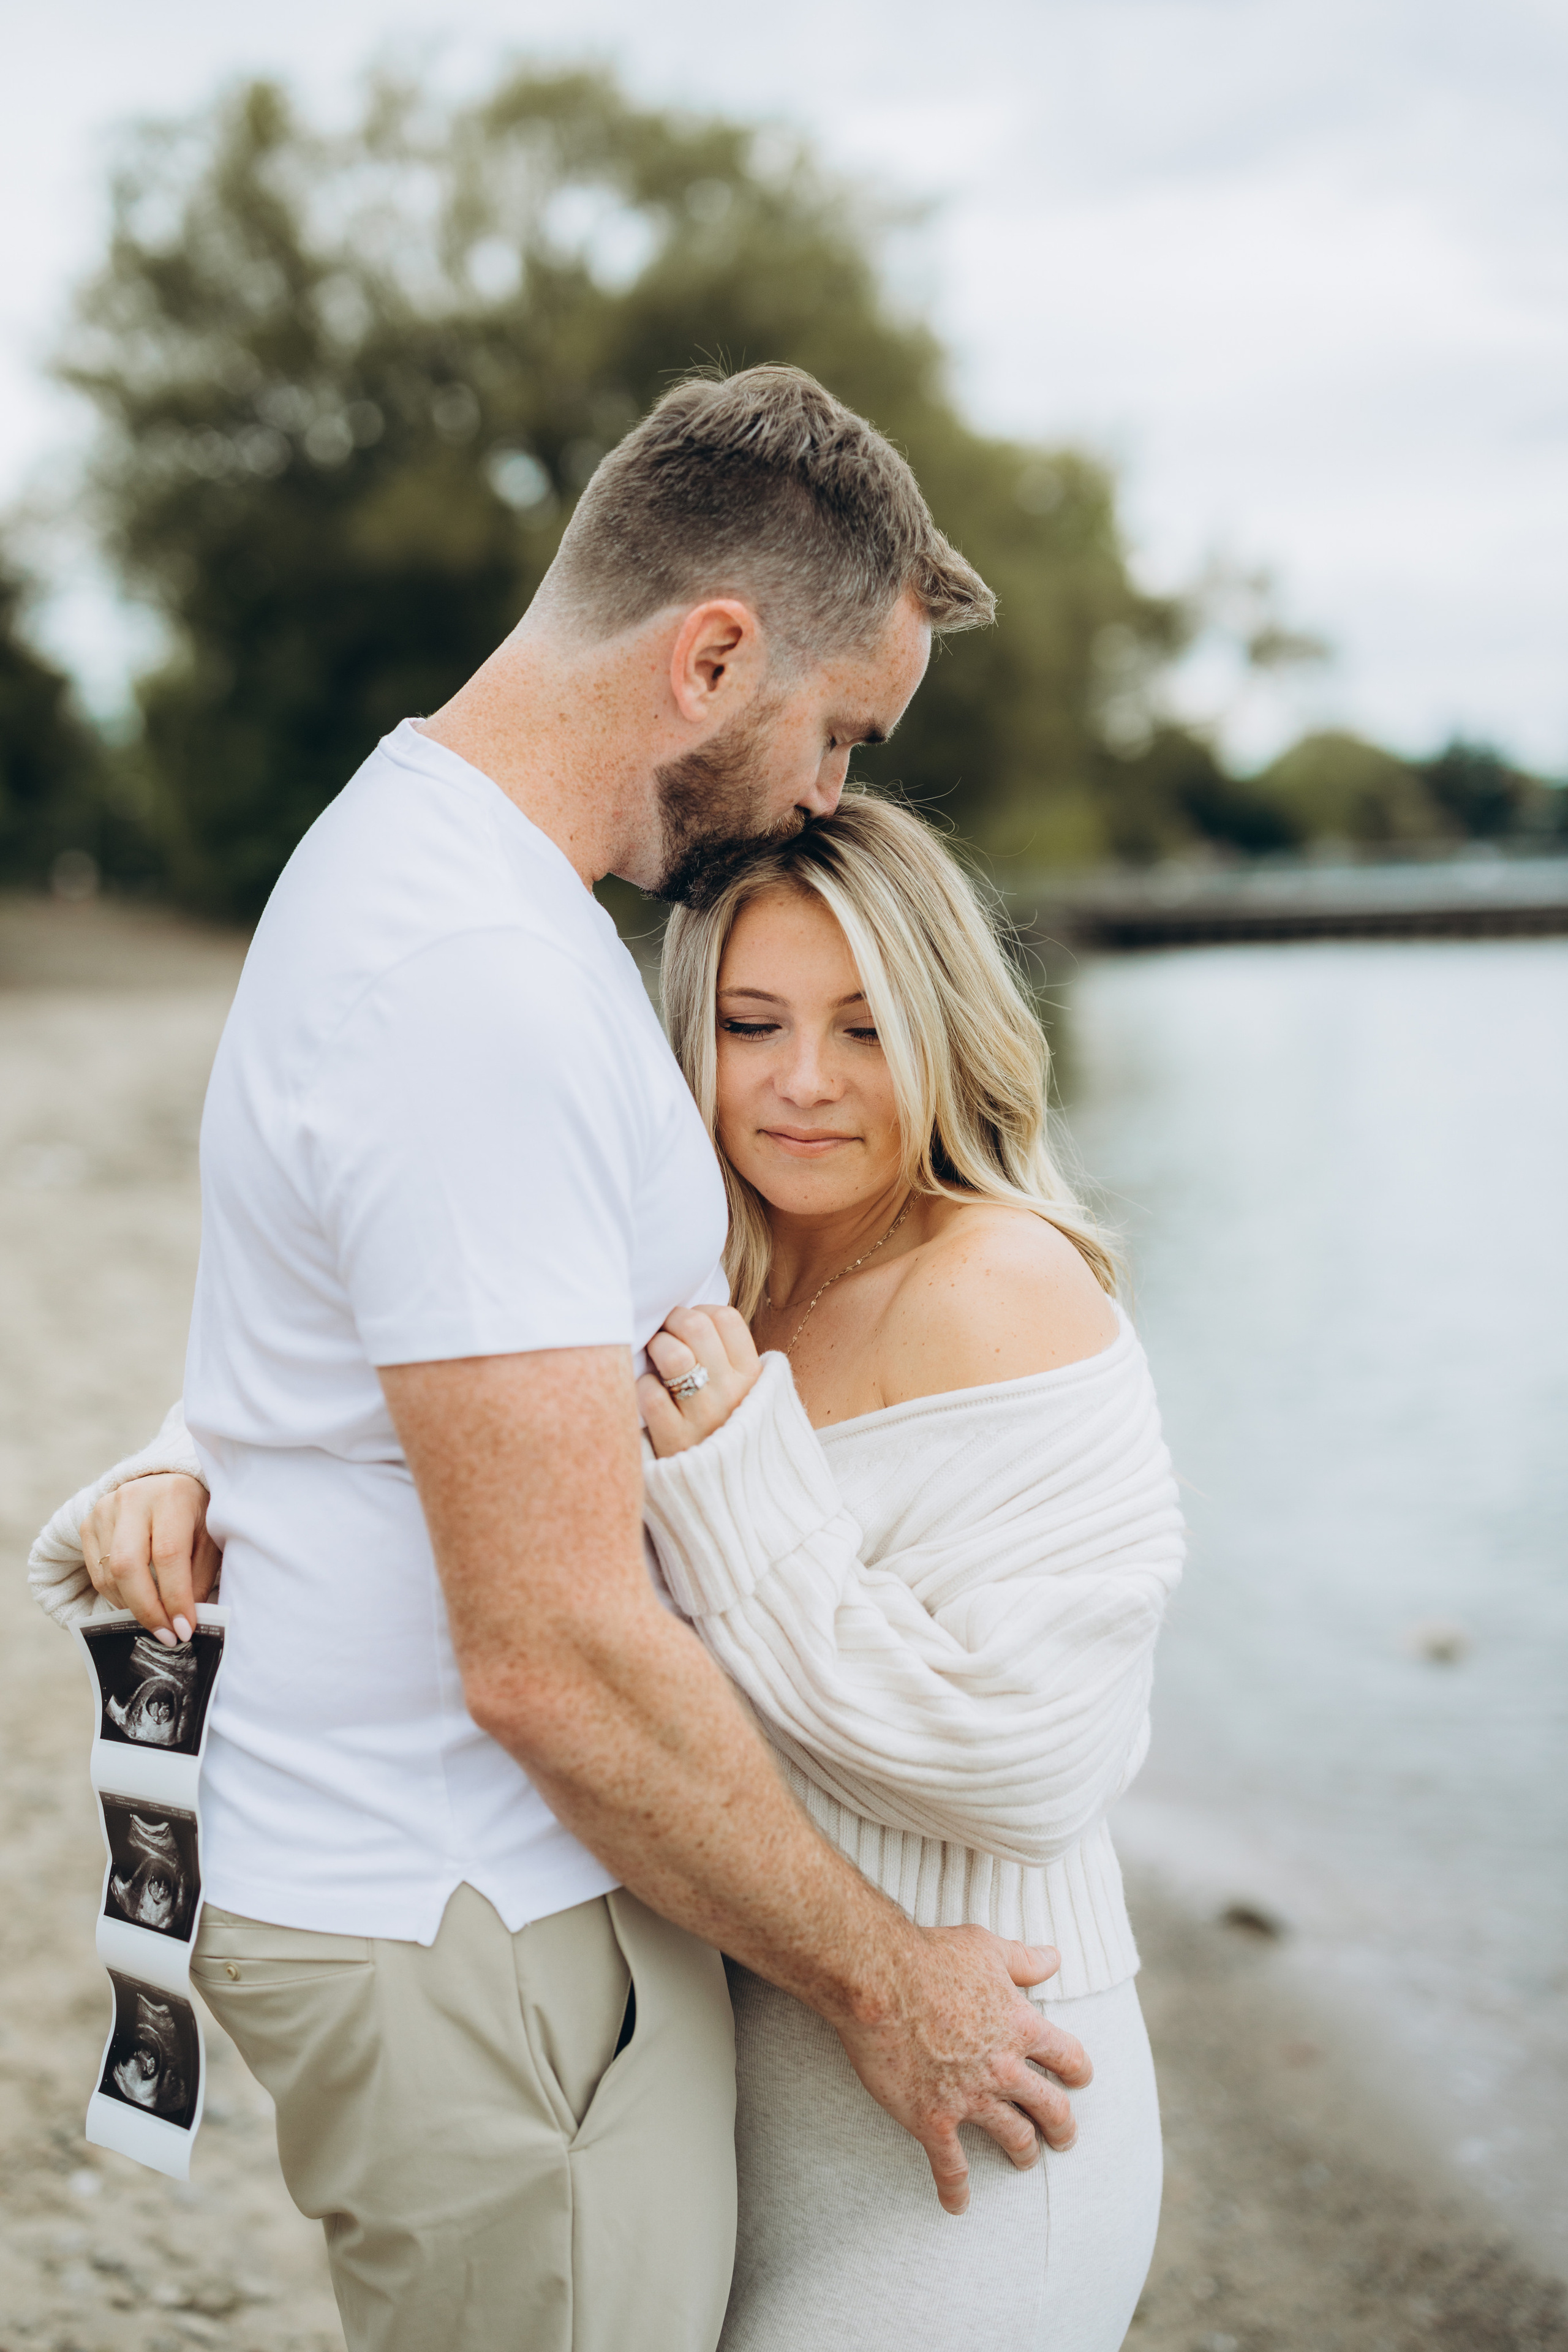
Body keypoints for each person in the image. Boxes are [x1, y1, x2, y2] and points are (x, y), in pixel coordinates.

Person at [29, 367, 1093, 2352]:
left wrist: (203, 1440)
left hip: (491, 1904)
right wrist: (892, 1981)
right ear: (712, 658)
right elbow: (551, 1655)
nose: (832, 797)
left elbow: (399, 1332)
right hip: (474, 1923)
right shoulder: (475, 975)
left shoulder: (464, 887)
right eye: (841, 732)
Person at [636, 795, 1183, 2349]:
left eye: (865, 1030)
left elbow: (1028, 1760)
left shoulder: (996, 1280)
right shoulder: (695, 1277)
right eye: (751, 1024)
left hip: (982, 2100)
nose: (803, 1081)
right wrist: (186, 1457)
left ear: (945, 1033)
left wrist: (731, 1486)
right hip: (732, 2068)